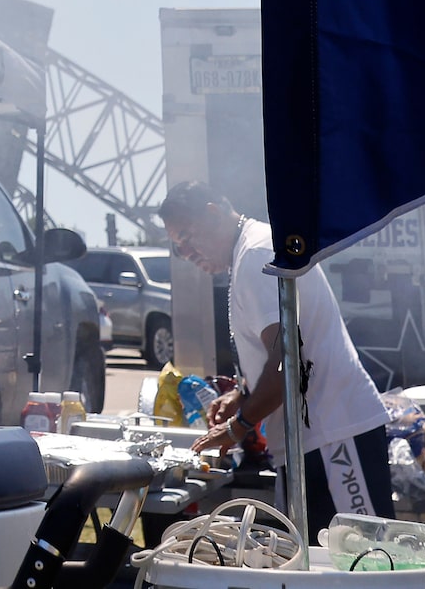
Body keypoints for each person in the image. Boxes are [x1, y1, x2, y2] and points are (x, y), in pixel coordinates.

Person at [159, 182, 391, 536]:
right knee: (316, 564)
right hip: (309, 442)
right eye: (178, 249)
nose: (187, 253)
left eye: (188, 239)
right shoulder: (247, 254)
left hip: (334, 436)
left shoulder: (255, 255)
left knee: (368, 559)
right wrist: (243, 393)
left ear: (213, 214)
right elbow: (281, 353)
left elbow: (290, 361)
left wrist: (237, 427)